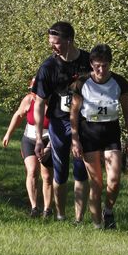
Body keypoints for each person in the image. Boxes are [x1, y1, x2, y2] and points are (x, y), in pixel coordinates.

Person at [69, 44, 128, 229]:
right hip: (89, 133)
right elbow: (73, 113)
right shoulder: (82, 83)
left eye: (105, 65)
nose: (101, 70)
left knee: (114, 181)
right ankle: (97, 226)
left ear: (110, 64)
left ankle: (108, 211)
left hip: (111, 132)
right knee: (96, 184)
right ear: (91, 64)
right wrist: (75, 139)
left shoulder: (119, 82)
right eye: (97, 65)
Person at [32, 21, 91, 222]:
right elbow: (39, 103)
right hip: (59, 123)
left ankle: (79, 219)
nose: (52, 46)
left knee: (81, 170)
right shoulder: (48, 67)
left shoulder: (88, 61)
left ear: (69, 41)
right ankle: (60, 215)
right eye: (50, 42)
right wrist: (39, 138)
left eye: (56, 43)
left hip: (84, 123)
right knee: (60, 171)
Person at [3, 78, 54, 217]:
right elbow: (18, 115)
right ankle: (34, 207)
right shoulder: (28, 100)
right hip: (29, 140)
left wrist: (50, 146)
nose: (34, 93)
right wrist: (8, 134)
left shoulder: (54, 103)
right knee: (32, 171)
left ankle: (47, 209)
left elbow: (60, 126)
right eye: (32, 90)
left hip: (48, 141)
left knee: (47, 176)